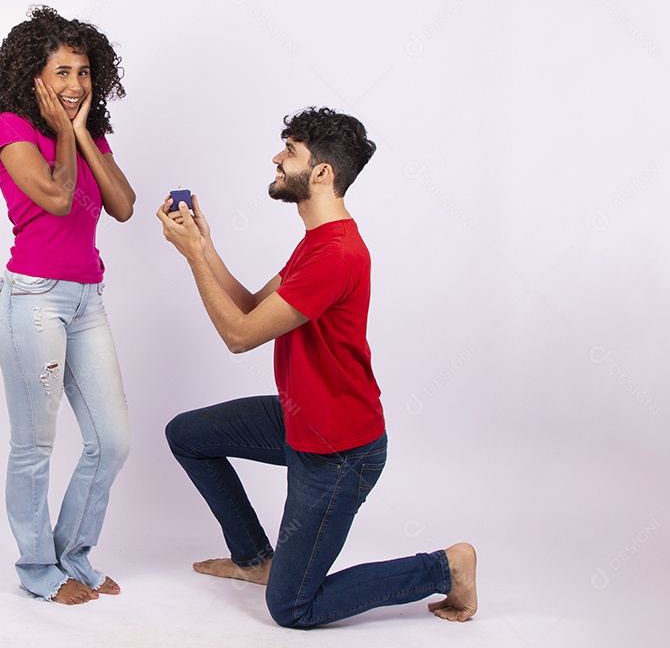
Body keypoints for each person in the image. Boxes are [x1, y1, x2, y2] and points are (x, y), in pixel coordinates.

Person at [156, 107, 478, 627]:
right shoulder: (316, 244)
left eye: (290, 151)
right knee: (188, 435)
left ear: (322, 173)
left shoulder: (336, 256)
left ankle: (444, 567)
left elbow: (239, 338)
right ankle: (257, 559)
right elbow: (248, 307)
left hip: (338, 452)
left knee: (291, 609)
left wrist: (193, 257)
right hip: (301, 418)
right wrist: (205, 244)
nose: (277, 159)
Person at [0, 6, 134, 605]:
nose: (75, 85)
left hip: (86, 301)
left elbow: (122, 204)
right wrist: (66, 135)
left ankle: (73, 552)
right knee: (35, 443)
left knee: (113, 440)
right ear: (35, 78)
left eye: (84, 72)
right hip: (32, 301)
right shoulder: (11, 130)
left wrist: (79, 134)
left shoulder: (90, 135)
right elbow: (55, 195)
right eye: (62, 72)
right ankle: (37, 568)